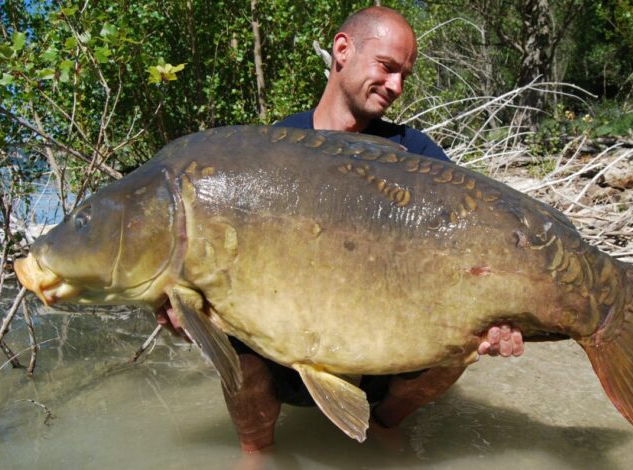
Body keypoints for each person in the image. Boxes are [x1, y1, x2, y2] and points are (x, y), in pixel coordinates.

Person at [157, 6, 524, 453]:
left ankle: (385, 423)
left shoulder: (417, 155)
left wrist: (501, 314)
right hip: (284, 350)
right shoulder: (273, 147)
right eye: (387, 68)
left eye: (405, 74)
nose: (397, 87)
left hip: (385, 349)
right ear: (343, 50)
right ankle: (257, 451)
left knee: (459, 347)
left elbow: (466, 247)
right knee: (234, 346)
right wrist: (188, 313)